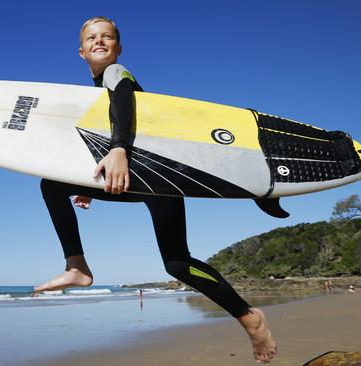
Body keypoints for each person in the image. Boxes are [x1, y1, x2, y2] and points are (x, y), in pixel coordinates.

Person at [33, 16, 276, 363]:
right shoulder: (97, 90)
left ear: (118, 47)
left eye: (107, 37)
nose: (99, 41)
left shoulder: (116, 75)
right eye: (91, 38)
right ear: (81, 52)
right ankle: (249, 318)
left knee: (51, 184)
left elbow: (123, 103)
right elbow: (116, 123)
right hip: (153, 180)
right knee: (177, 264)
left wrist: (117, 149)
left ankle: (77, 266)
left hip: (153, 176)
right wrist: (88, 181)